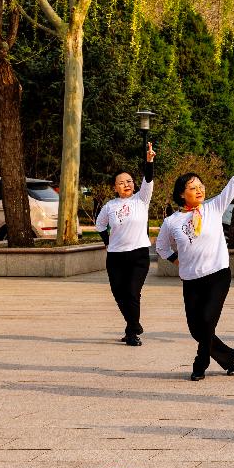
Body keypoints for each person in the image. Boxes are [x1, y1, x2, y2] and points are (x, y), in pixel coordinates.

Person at [156, 145, 234, 381]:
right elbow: (161, 247)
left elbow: (233, 186)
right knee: (196, 329)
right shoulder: (171, 222)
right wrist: (176, 260)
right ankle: (230, 356)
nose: (199, 190)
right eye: (192, 187)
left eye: (200, 186)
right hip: (191, 280)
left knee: (207, 321)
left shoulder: (213, 208)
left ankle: (201, 363)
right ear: (181, 194)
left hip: (217, 275)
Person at [96, 142, 157, 346]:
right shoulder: (110, 206)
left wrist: (149, 161)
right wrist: (107, 242)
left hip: (139, 255)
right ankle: (133, 324)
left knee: (132, 292)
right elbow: (100, 225)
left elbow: (148, 180)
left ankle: (132, 332)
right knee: (119, 294)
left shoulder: (141, 199)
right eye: (121, 183)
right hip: (115, 257)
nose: (126, 185)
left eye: (129, 181)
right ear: (115, 187)